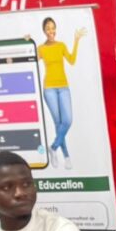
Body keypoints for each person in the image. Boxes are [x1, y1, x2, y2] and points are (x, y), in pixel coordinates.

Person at [37, 17, 86, 170]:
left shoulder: (61, 45)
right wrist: (26, 41)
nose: (51, 31)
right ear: (44, 31)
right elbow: (30, 59)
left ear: (55, 29)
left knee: (68, 120)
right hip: (49, 88)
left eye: (53, 28)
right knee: (58, 124)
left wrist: (76, 40)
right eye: (48, 28)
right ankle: (66, 157)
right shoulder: (41, 48)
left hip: (63, 87)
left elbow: (71, 60)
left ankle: (53, 148)